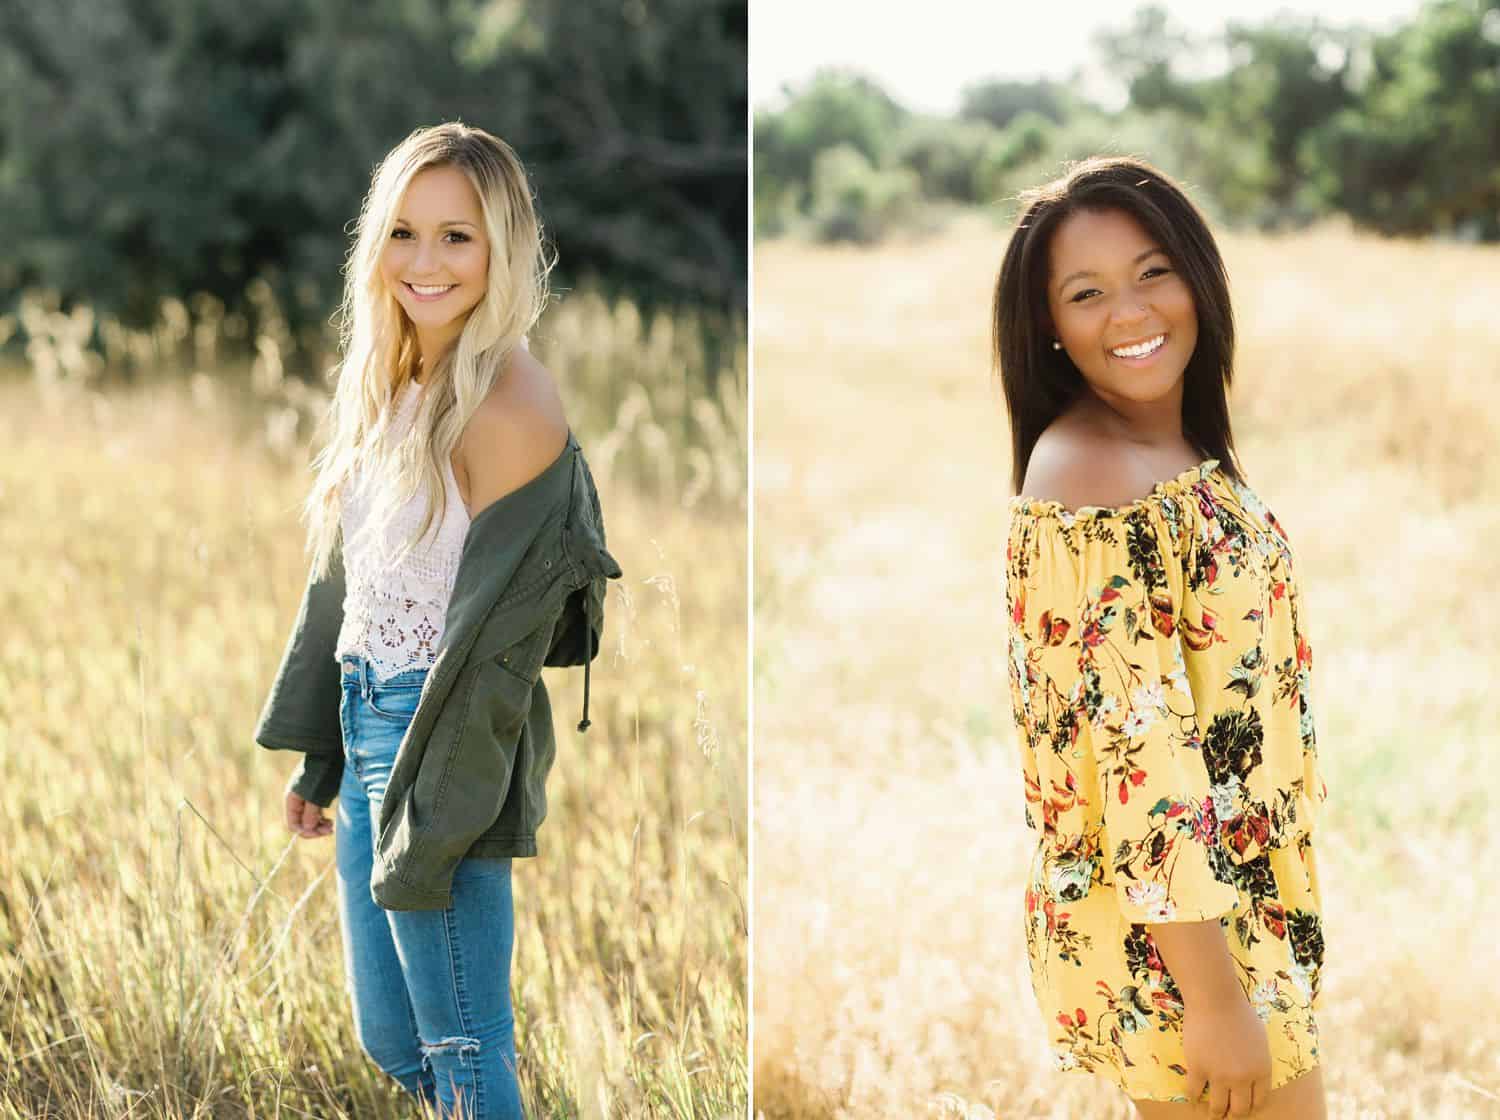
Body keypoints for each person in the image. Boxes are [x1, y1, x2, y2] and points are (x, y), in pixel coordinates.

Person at [252, 122, 621, 1120]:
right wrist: (325, 755)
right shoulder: (392, 372)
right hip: (368, 718)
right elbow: (356, 586)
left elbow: (496, 649)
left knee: (463, 1042)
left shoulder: (508, 401)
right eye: (404, 233)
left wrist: (435, 813)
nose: (426, 261)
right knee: (395, 1038)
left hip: (444, 737)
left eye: (457, 236)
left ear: (504, 245)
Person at [994, 156, 1329, 1120]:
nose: (1131, 313)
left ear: (1197, 276)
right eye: (1087, 293)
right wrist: (1215, 1001)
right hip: (1186, 939)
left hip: (1242, 904)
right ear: (1050, 327)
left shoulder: (1174, 448)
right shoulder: (1089, 474)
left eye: (1152, 272)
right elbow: (1140, 758)